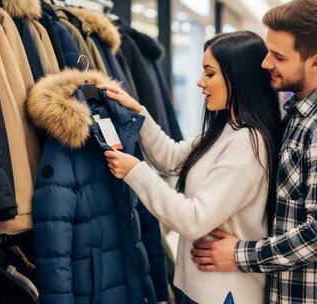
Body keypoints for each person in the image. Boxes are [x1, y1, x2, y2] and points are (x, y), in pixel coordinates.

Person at [189, 0, 317, 303]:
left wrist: (240, 254)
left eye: (278, 56)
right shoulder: (298, 112)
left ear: (315, 62)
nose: (265, 64)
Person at [100, 31, 282, 304]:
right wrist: (138, 113)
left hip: (223, 293)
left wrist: (135, 172)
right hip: (202, 287)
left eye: (210, 74)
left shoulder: (248, 143)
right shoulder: (225, 131)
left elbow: (193, 218)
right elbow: (170, 157)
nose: (200, 82)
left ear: (238, 77)